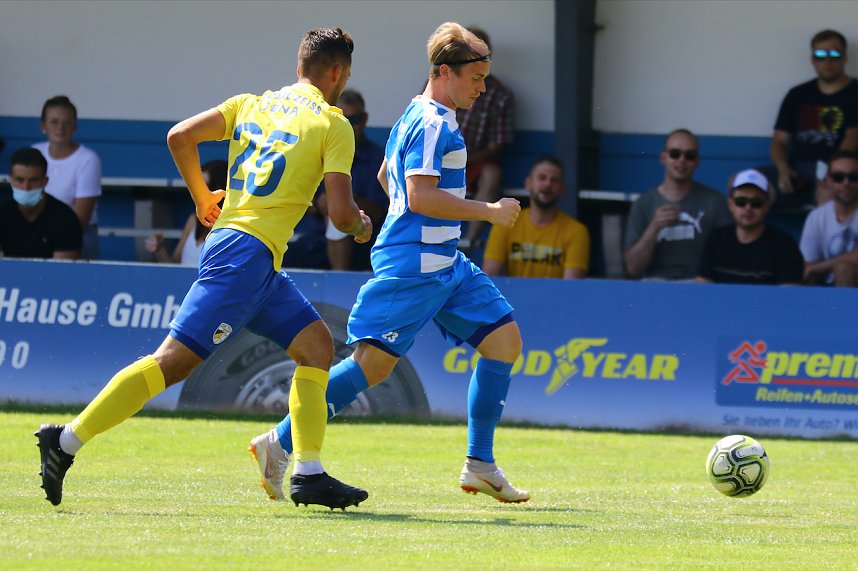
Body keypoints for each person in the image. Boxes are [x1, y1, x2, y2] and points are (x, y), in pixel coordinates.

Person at [35, 27, 373, 510]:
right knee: (172, 362)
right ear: (338, 72)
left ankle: (308, 472)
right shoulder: (334, 124)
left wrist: (201, 197)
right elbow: (340, 215)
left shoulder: (250, 104)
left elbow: (179, 136)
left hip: (252, 257)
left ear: (300, 66)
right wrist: (360, 225)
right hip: (244, 257)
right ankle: (64, 441)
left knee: (316, 347)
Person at [250, 22, 530, 504]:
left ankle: (480, 463)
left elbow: (386, 176)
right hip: (415, 267)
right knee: (370, 367)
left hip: (444, 261)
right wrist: (488, 211)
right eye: (477, 78)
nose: (483, 88)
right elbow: (419, 195)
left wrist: (412, 216)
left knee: (504, 342)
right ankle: (279, 442)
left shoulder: (417, 113)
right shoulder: (434, 123)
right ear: (445, 72)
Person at [624, 128, 732, 281]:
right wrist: (654, 227)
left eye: (689, 155)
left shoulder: (715, 201)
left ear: (697, 161)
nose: (681, 160)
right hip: (655, 284)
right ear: (663, 158)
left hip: (700, 284)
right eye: (675, 154)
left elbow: (729, 258)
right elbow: (633, 269)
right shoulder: (643, 204)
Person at [766, 29, 858, 206]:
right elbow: (779, 141)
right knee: (744, 183)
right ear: (812, 60)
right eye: (820, 55)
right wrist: (783, 169)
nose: (828, 61)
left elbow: (852, 137)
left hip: (841, 171)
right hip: (797, 169)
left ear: (845, 58)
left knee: (828, 193)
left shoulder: (855, 92)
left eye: (835, 55)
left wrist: (830, 173)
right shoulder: (797, 94)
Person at [482, 156, 589, 278]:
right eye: (542, 178)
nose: (548, 184)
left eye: (554, 180)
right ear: (528, 184)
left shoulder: (576, 231)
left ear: (562, 189)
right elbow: (490, 277)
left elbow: (571, 287)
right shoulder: (506, 222)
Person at [456, 25, 515, 249]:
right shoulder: (442, 82)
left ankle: (469, 241)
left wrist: (461, 158)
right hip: (438, 157)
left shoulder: (500, 94)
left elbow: (494, 148)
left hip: (473, 161)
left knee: (492, 173)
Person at [697, 169, 803, 285]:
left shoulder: (784, 245)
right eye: (741, 201)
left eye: (756, 202)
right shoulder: (716, 239)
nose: (748, 208)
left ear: (767, 205)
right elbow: (703, 287)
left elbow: (790, 292)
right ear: (730, 205)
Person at [32, 95, 103, 259]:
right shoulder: (35, 152)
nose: (60, 128)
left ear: (75, 126)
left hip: (77, 236)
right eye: (54, 122)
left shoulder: (88, 159)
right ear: (43, 126)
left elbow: (79, 223)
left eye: (67, 122)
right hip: (36, 233)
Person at [325, 89, 388, 270]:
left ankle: (338, 280)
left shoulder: (378, 159)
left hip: (363, 241)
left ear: (364, 119)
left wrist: (343, 200)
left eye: (354, 120)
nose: (348, 127)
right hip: (316, 241)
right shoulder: (321, 153)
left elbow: (379, 212)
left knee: (340, 211)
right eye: (343, 121)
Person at [1, 147, 82, 259]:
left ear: (45, 181)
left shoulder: (65, 218)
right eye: (20, 180)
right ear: (11, 180)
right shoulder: (2, 214)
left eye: (33, 180)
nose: (26, 187)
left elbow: (63, 268)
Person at [145, 160, 227, 266]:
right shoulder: (193, 221)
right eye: (199, 188)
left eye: (207, 187)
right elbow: (175, 265)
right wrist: (159, 248)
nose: (200, 194)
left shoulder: (229, 229)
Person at [800, 150, 858, 286]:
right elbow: (807, 263)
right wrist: (812, 269)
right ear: (828, 180)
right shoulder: (816, 216)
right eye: (838, 177)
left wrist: (817, 268)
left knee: (844, 269)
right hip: (826, 287)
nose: (846, 183)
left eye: (853, 177)